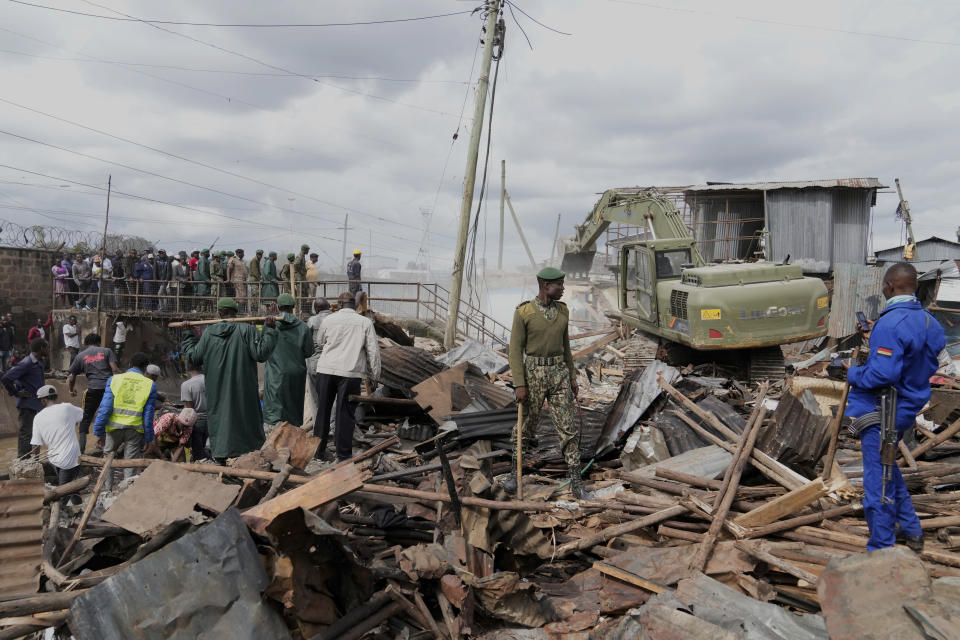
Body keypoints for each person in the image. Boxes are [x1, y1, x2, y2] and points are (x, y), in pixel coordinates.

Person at [845, 262, 946, 552]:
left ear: (889, 286)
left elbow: (882, 374)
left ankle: (881, 547)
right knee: (888, 467)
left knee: (878, 481)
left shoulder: (890, 324)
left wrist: (851, 372)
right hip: (908, 405)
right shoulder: (930, 322)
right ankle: (912, 531)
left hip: (884, 410)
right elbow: (919, 358)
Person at [506, 267, 586, 498]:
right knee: (526, 425)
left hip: (558, 372)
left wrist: (572, 377)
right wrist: (519, 383)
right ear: (544, 285)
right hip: (533, 373)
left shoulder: (563, 311)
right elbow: (514, 351)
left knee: (567, 426)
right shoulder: (524, 312)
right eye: (559, 284)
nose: (563, 288)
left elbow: (567, 347)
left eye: (562, 284)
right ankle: (514, 473)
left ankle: (576, 482)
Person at [180, 298, 277, 461]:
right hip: (244, 392)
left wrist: (187, 334)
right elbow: (261, 354)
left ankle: (222, 457)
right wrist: (270, 329)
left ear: (219, 313)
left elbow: (193, 357)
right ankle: (249, 457)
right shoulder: (247, 330)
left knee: (221, 423)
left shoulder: (209, 334)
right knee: (247, 423)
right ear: (236, 312)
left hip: (217, 393)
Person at [312, 291, 380, 461]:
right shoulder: (365, 322)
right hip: (350, 373)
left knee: (323, 411)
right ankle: (343, 455)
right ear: (355, 306)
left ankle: (318, 452)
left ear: (339, 305)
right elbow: (373, 351)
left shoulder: (328, 320)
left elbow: (320, 341)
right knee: (345, 414)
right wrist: (375, 375)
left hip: (326, 370)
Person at [92, 352, 158, 490]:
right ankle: (125, 494)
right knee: (130, 462)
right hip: (135, 430)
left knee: (108, 459)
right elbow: (148, 415)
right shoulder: (150, 384)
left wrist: (98, 432)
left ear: (129, 365)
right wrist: (148, 438)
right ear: (145, 368)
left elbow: (105, 408)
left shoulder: (114, 379)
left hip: (113, 428)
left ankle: (106, 491)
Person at [262, 293, 314, 426]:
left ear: (278, 307)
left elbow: (263, 349)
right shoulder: (303, 327)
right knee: (293, 410)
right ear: (293, 307)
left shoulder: (270, 324)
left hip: (275, 374)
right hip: (296, 374)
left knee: (275, 413)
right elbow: (309, 352)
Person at [67, 333, 119, 454]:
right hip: (109, 389)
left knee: (85, 419)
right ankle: (107, 446)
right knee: (109, 415)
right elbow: (114, 369)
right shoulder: (107, 351)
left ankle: (81, 450)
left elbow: (71, 376)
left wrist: (71, 389)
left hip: (93, 389)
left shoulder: (80, 356)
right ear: (99, 341)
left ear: (86, 343)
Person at [30, 385, 83, 496]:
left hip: (55, 458)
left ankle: (69, 506)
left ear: (43, 400)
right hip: (72, 457)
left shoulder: (38, 417)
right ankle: (74, 503)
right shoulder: (67, 408)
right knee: (69, 486)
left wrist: (33, 463)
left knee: (64, 492)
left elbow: (36, 444)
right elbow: (82, 416)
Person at [2, 338, 47, 456]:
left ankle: (32, 460)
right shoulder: (27, 363)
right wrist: (17, 393)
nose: (47, 349)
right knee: (26, 434)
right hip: (27, 405)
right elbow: (6, 378)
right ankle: (23, 461)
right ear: (41, 348)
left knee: (35, 433)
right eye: (46, 347)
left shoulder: (38, 364)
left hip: (36, 405)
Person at [306, 298, 332, 415]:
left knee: (315, 397)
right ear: (329, 306)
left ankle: (318, 426)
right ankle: (332, 424)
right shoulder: (336, 319)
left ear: (317, 309)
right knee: (332, 396)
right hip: (332, 363)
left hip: (314, 363)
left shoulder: (312, 321)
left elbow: (306, 341)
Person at [181, 359, 209, 459]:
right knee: (208, 448)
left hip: (197, 421)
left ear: (187, 368)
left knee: (198, 452)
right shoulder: (209, 379)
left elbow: (189, 409)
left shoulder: (186, 385)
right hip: (213, 420)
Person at [227, 249, 249, 313]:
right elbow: (228, 269)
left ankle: (241, 311)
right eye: (243, 253)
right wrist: (228, 279)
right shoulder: (233, 259)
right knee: (241, 297)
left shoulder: (242, 261)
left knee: (243, 297)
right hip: (237, 281)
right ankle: (240, 312)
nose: (244, 255)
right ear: (239, 253)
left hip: (243, 281)